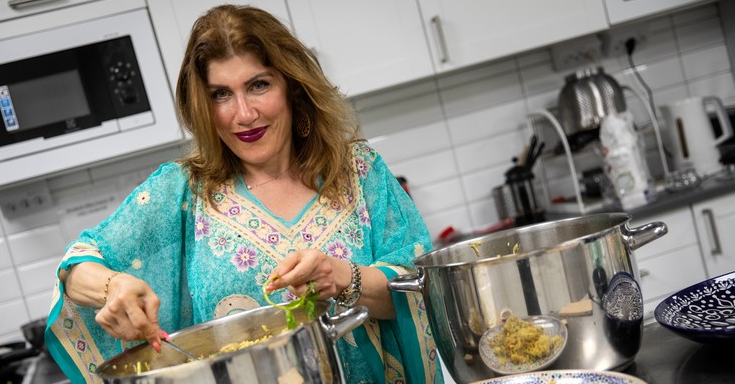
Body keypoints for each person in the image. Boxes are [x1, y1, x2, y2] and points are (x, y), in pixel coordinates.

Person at [44, 4, 441, 384]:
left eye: (258, 85)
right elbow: (77, 265)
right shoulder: (183, 192)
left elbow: (420, 293)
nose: (244, 114)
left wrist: (342, 276)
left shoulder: (358, 171)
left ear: (292, 87)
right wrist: (115, 288)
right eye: (220, 94)